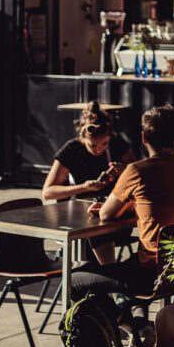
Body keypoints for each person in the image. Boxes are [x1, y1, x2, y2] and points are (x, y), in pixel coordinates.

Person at [72, 105, 174, 301]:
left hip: (150, 273)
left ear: (143, 138)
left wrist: (111, 205)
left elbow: (106, 214)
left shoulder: (136, 170)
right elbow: (160, 201)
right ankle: (137, 321)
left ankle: (130, 324)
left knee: (73, 281)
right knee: (123, 267)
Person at [42, 101, 135, 264]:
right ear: (83, 138)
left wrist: (124, 169)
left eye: (104, 144)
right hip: (79, 216)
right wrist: (84, 186)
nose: (98, 149)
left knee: (102, 229)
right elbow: (48, 192)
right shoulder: (72, 150)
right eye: (93, 145)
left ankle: (104, 277)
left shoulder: (117, 144)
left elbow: (139, 172)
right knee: (95, 233)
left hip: (112, 214)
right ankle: (105, 277)